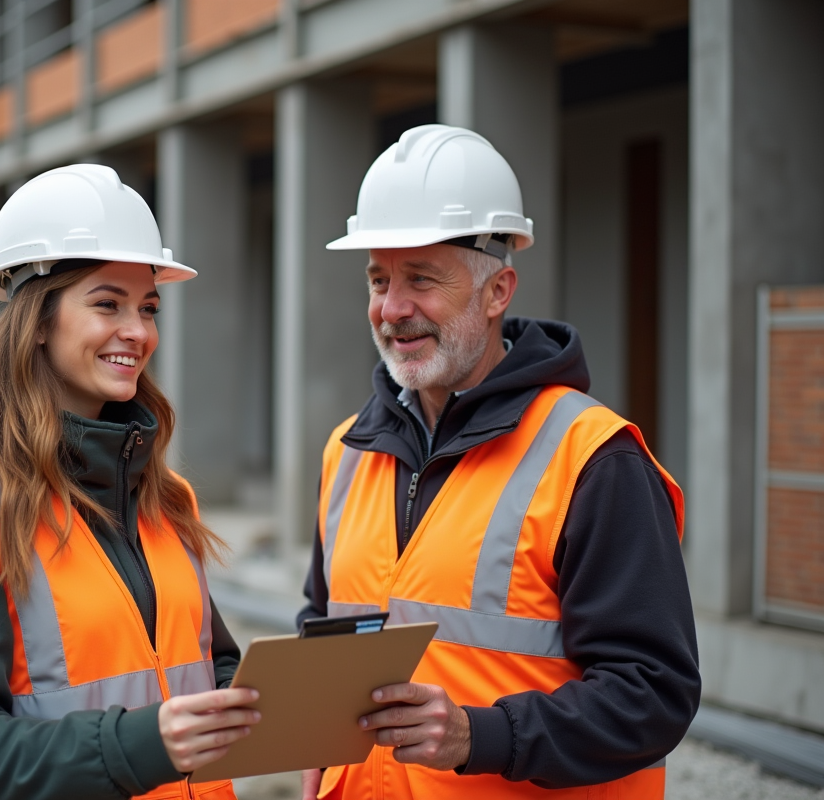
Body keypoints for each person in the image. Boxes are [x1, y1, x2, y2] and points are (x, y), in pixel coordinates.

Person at [297, 125, 700, 799]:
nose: (392, 308)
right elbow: (323, 628)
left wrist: (480, 735)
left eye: (421, 278)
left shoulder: (593, 459)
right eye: (379, 279)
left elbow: (654, 694)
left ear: (497, 291)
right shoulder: (347, 451)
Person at [0, 164, 259, 800]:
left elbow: (199, 662)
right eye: (107, 304)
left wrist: (264, 701)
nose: (139, 331)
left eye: (148, 308)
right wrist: (140, 745)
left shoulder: (161, 496)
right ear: (38, 320)